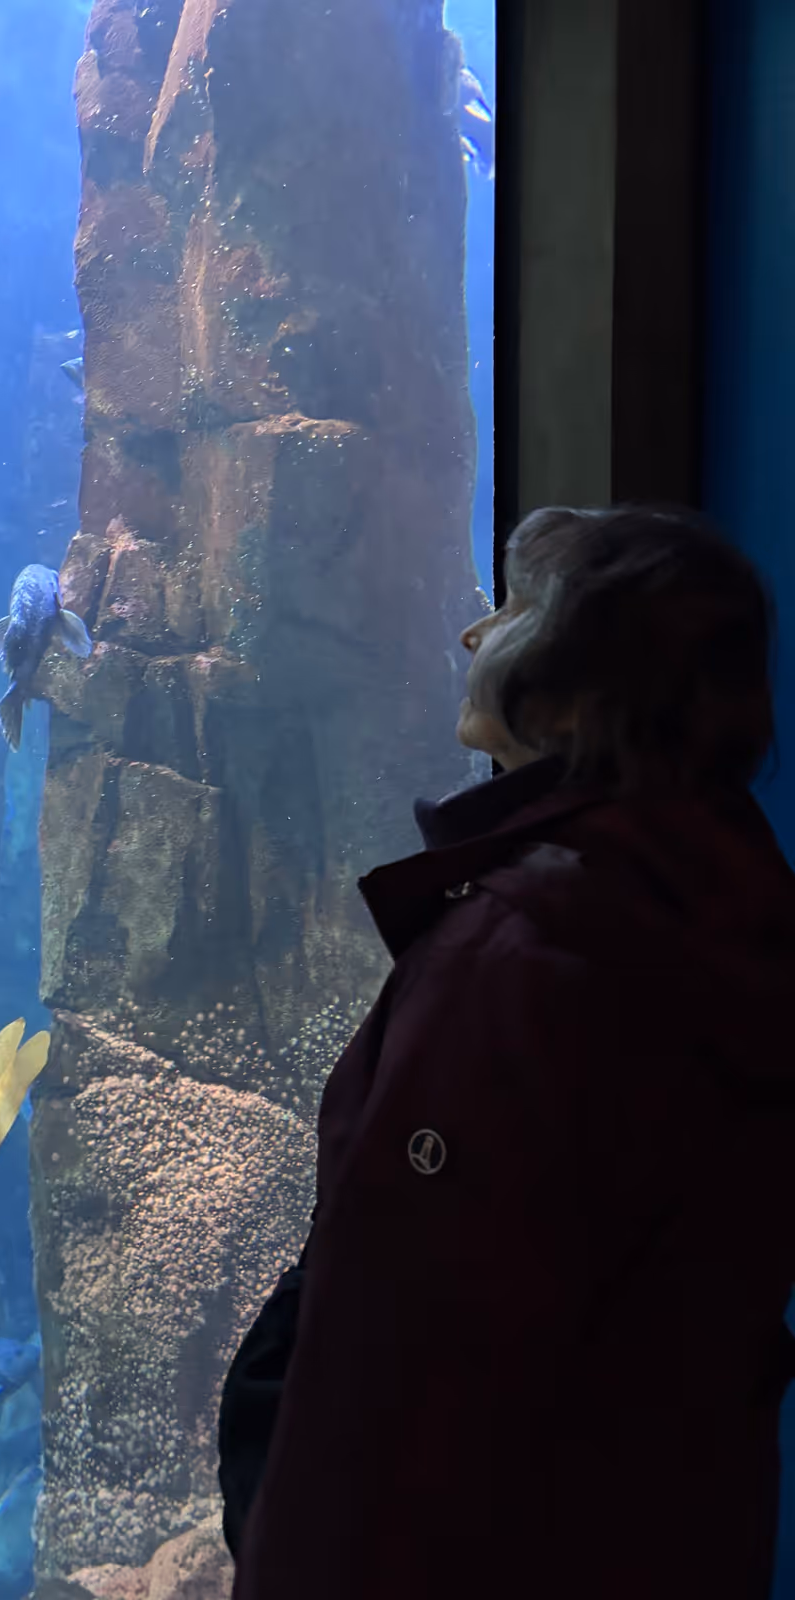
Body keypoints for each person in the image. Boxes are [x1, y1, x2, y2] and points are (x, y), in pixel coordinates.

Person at [219, 504, 795, 1600]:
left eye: (522, 608)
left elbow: (404, 1355)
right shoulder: (724, 895)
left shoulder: (526, 959)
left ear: (587, 685)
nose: (480, 634)